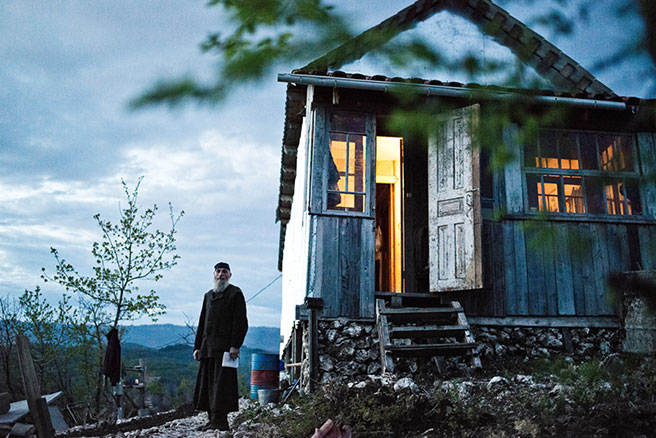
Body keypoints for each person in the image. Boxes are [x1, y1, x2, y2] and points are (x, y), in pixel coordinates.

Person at [193, 262, 248, 431]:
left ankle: (221, 422)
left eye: (224, 271)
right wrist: (197, 347)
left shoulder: (235, 294)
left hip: (225, 349)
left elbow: (241, 322)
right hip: (207, 347)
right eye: (218, 271)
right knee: (207, 385)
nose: (221, 274)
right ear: (214, 275)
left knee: (221, 386)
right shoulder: (208, 296)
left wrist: (235, 345)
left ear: (230, 275)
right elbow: (202, 321)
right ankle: (211, 420)